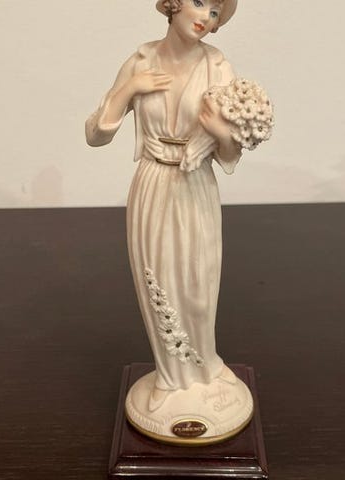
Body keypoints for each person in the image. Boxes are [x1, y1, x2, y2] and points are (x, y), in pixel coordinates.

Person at [85, 0, 241, 414]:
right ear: (173, 4)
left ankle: (207, 366)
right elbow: (96, 135)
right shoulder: (141, 60)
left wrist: (220, 132)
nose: (204, 17)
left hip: (196, 183)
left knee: (200, 283)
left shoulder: (217, 66)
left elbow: (231, 151)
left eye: (214, 12)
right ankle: (170, 378)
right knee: (160, 282)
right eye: (199, 2)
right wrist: (128, 90)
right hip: (154, 183)